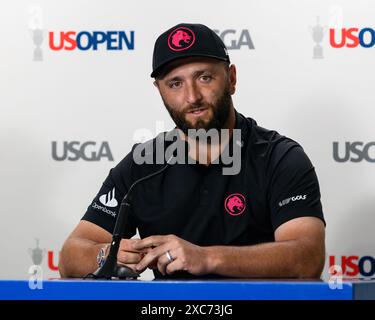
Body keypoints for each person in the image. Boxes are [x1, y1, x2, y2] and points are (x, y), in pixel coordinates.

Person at [59, 23, 326, 279]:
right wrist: (106, 254)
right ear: (159, 91)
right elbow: (71, 255)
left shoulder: (279, 158)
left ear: (231, 79)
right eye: (175, 83)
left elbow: (307, 257)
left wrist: (207, 258)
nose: (192, 97)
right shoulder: (142, 165)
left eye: (204, 77)